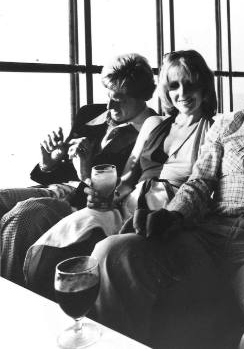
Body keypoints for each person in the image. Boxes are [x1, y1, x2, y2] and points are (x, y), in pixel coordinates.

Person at [91, 27, 244, 348]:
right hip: (205, 237)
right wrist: (171, 216)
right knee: (112, 252)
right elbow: (199, 183)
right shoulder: (228, 125)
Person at [23, 50, 217, 299]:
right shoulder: (155, 125)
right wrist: (105, 198)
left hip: (167, 207)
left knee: (98, 250)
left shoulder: (214, 128)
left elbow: (204, 188)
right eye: (174, 85)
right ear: (166, 90)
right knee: (61, 239)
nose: (182, 93)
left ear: (204, 85)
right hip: (132, 200)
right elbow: (127, 177)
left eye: (190, 84)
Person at [0, 53, 156, 286]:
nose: (109, 105)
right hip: (60, 187)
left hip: (82, 202)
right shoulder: (90, 113)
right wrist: (50, 162)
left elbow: (116, 194)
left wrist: (84, 171)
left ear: (143, 96)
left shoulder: (152, 130)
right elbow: (60, 172)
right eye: (108, 95)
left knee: (26, 213)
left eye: (120, 98)